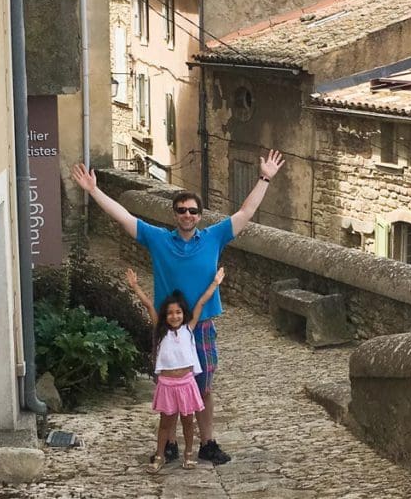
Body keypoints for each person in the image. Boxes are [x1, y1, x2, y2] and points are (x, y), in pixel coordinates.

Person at [71, 149, 284, 464]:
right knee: (169, 387)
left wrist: (265, 177)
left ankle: (207, 443)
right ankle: (168, 444)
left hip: (202, 325)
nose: (187, 215)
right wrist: (93, 190)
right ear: (175, 214)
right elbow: (124, 216)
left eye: (192, 211)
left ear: (199, 215)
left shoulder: (214, 237)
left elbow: (245, 212)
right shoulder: (158, 239)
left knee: (205, 387)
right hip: (167, 328)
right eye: (182, 210)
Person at [124, 266, 225, 473]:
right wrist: (135, 286)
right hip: (167, 385)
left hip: (187, 383)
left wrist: (215, 283)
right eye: (170, 313)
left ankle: (189, 455)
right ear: (165, 316)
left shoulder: (189, 329)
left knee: (188, 423)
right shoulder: (161, 332)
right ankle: (160, 455)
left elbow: (201, 303)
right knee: (165, 424)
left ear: (183, 314)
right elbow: (148, 305)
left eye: (178, 312)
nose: (175, 316)